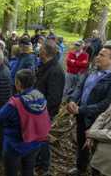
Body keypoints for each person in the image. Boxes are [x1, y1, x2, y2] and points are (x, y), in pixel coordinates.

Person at [66, 45, 111, 176]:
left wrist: (81, 110)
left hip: (98, 121)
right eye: (99, 54)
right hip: (81, 115)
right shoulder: (92, 70)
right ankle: (81, 168)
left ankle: (95, 172)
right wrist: (73, 100)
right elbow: (80, 87)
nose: (97, 57)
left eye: (102, 55)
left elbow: (106, 104)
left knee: (97, 150)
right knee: (81, 143)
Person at [0, 69, 51, 176]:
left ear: (18, 84)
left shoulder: (15, 104)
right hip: (35, 142)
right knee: (28, 170)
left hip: (14, 144)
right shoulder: (40, 97)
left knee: (10, 172)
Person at [35, 41, 65, 175]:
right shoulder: (45, 65)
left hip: (45, 112)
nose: (38, 50)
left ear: (45, 52)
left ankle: (44, 167)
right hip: (37, 110)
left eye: (40, 49)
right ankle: (37, 161)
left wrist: (40, 110)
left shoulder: (56, 71)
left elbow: (54, 98)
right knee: (38, 138)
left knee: (43, 139)